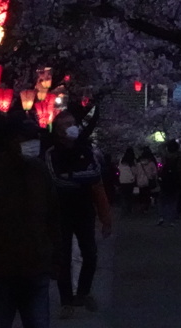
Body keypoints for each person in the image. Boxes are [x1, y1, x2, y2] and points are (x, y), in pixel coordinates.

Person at [0, 116, 60, 328]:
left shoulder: (40, 171)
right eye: (26, 138)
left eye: (35, 137)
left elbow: (53, 217)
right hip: (1, 268)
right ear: (11, 140)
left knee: (38, 322)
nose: (32, 143)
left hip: (36, 265)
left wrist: (56, 257)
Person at [44, 110, 113, 319]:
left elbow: (96, 178)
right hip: (61, 212)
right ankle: (66, 301)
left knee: (90, 254)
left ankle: (83, 293)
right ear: (57, 130)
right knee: (63, 257)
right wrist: (81, 178)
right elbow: (57, 180)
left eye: (72, 123)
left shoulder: (87, 151)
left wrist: (105, 217)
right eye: (65, 125)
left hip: (85, 210)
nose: (70, 127)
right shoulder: (52, 154)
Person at [157, 140, 181, 226]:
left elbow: (160, 147)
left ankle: (162, 217)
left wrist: (166, 142)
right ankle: (172, 220)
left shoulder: (165, 156)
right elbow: (180, 169)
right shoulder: (179, 156)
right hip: (175, 180)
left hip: (165, 180)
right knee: (174, 201)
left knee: (163, 200)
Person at [134, 146, 160, 214]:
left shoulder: (138, 164)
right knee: (147, 194)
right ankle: (146, 207)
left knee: (141, 195)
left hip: (140, 181)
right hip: (148, 181)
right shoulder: (151, 163)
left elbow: (136, 172)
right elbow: (155, 172)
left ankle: (142, 207)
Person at [117, 148, 138, 215]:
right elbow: (135, 171)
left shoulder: (121, 160)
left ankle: (124, 209)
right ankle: (130, 209)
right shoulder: (132, 161)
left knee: (124, 195)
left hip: (122, 180)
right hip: (130, 180)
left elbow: (119, 169)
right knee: (130, 195)